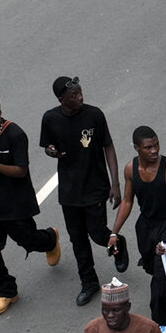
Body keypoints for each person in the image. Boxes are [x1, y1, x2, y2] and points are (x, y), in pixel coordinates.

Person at [39, 78, 119, 309]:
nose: (80, 97)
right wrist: (50, 151)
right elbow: (47, 146)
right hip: (69, 190)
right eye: (74, 96)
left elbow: (108, 146)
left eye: (80, 92)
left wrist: (115, 183)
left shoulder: (94, 115)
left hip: (95, 186)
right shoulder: (51, 118)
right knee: (77, 239)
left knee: (96, 233)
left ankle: (116, 242)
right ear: (61, 100)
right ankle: (89, 282)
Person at [108, 126, 166, 333]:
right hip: (145, 226)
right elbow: (127, 201)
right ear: (137, 148)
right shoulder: (130, 170)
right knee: (153, 268)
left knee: (160, 278)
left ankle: (161, 320)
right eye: (148, 147)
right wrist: (114, 233)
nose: (154, 150)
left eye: (156, 145)